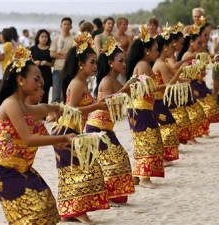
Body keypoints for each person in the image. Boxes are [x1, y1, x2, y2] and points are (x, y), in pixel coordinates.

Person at [0, 46, 75, 224]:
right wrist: (63, 138)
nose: (39, 84)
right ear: (20, 80)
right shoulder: (11, 104)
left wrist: (55, 108)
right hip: (4, 170)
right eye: (36, 79)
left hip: (22, 169)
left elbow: (40, 109)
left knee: (46, 204)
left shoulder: (21, 104)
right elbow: (28, 139)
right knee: (33, 213)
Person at [52, 32, 110, 224]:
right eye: (92, 62)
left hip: (74, 131)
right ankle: (77, 211)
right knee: (80, 171)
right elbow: (71, 110)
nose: (95, 66)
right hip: (67, 132)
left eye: (95, 62)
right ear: (80, 64)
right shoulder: (77, 84)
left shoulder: (82, 82)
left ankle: (68, 212)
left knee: (77, 171)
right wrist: (95, 106)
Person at [86, 36, 135, 205]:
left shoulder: (114, 80)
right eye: (121, 61)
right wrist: (124, 90)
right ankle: (109, 195)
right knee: (117, 159)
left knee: (119, 158)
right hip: (97, 128)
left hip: (106, 128)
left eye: (125, 61)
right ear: (110, 63)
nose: (124, 64)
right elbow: (105, 104)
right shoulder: (107, 81)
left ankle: (114, 195)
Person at [125, 24, 164, 189]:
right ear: (147, 51)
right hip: (141, 108)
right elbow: (148, 89)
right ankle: (145, 178)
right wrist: (168, 85)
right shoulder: (144, 65)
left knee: (142, 141)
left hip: (139, 107)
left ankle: (136, 175)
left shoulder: (142, 64)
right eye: (155, 49)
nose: (158, 52)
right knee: (148, 140)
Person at [152, 31, 181, 164]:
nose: (172, 49)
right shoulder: (161, 64)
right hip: (156, 101)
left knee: (167, 124)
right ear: (164, 48)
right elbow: (169, 84)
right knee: (168, 124)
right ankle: (162, 156)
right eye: (171, 46)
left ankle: (163, 156)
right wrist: (180, 72)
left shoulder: (163, 63)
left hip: (160, 100)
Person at [50, 17, 74, 103]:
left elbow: (72, 54)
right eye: (65, 24)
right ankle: (54, 115)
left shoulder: (74, 39)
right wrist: (66, 54)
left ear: (71, 26)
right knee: (55, 95)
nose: (66, 26)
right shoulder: (56, 38)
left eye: (68, 24)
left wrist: (59, 53)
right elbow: (52, 54)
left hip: (68, 69)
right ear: (61, 26)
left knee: (67, 95)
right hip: (57, 69)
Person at [30, 29, 53, 103]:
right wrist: (34, 62)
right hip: (35, 76)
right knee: (33, 95)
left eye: (46, 37)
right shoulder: (33, 49)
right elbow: (27, 62)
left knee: (45, 96)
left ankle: (44, 114)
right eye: (42, 36)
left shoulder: (51, 49)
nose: (44, 38)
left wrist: (46, 63)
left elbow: (53, 63)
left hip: (46, 75)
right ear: (38, 38)